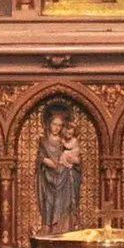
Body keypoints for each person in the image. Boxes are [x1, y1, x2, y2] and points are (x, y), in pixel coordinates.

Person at [33, 100, 84, 238]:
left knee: (65, 203)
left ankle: (65, 229)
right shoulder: (43, 141)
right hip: (48, 178)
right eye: (54, 124)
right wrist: (46, 162)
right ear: (48, 124)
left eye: (60, 125)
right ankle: (49, 227)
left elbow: (77, 161)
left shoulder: (66, 142)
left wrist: (74, 163)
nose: (56, 128)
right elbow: (40, 158)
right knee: (49, 201)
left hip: (65, 179)